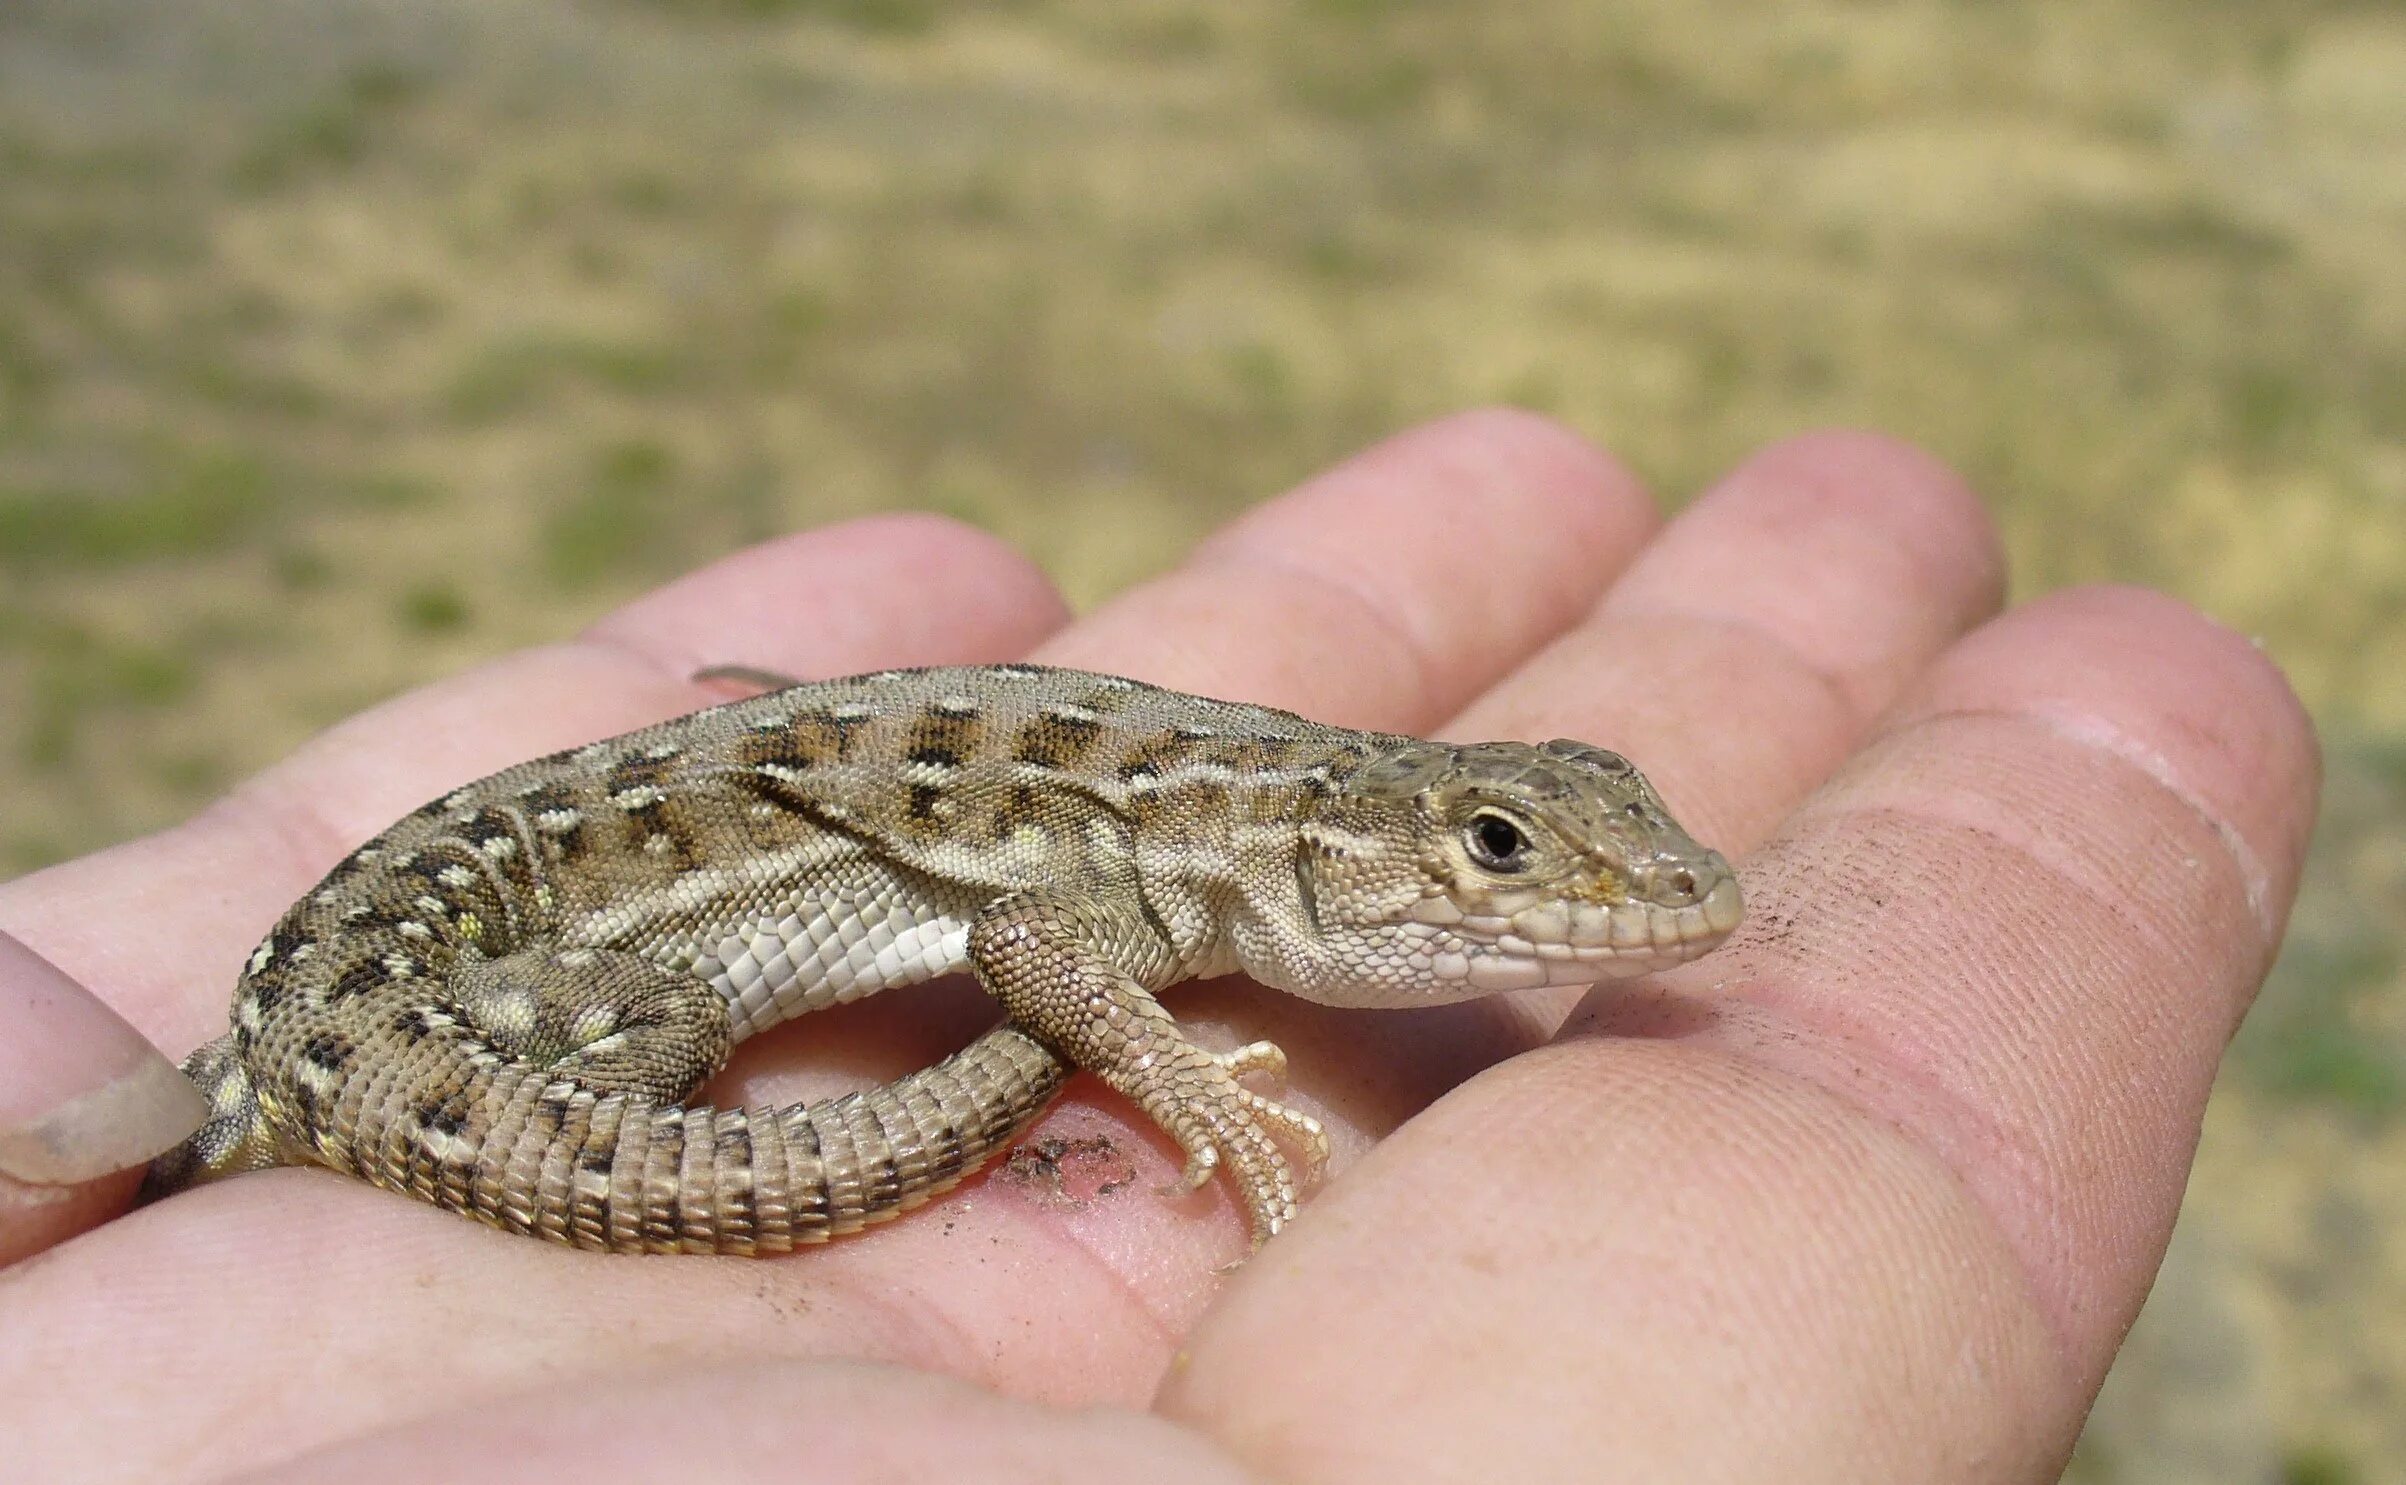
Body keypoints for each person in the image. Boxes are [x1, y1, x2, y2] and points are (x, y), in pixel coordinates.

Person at [0, 412, 2317, 1483]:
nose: (1605, 903)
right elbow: (1030, 927)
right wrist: (1166, 1067)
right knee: (663, 1030)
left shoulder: (1214, 832)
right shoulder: (1127, 872)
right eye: (1507, 854)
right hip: (408, 1001)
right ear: (1347, 861)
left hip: (336, 1003)